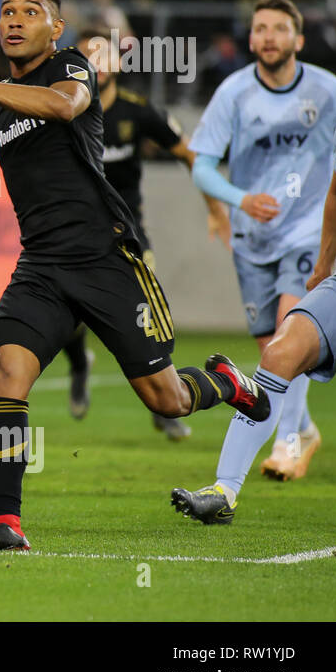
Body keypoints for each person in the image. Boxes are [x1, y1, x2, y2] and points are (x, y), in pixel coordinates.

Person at [0, 0, 271, 551]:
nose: (14, 20)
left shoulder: (71, 68)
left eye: (30, 11)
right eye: (6, 11)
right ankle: (5, 522)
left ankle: (225, 381)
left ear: (56, 28)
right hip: (41, 266)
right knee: (6, 375)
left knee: (166, 399)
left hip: (105, 258)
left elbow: (66, 108)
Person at [171, 0, 336, 524]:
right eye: (259, 28)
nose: (268, 37)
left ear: (299, 39)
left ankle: (290, 440)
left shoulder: (329, 92)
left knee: (281, 333)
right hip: (259, 241)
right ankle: (224, 491)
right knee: (277, 352)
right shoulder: (235, 92)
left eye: (279, 29)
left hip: (299, 230)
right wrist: (325, 264)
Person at [61, 28, 229, 440]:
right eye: (87, 56)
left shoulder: (137, 111)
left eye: (104, 55)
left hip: (127, 236)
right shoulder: (60, 110)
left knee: (146, 317)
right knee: (66, 319)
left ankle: (166, 405)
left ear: (118, 63)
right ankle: (79, 365)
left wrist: (214, 207)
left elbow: (188, 153)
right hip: (69, 237)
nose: (96, 63)